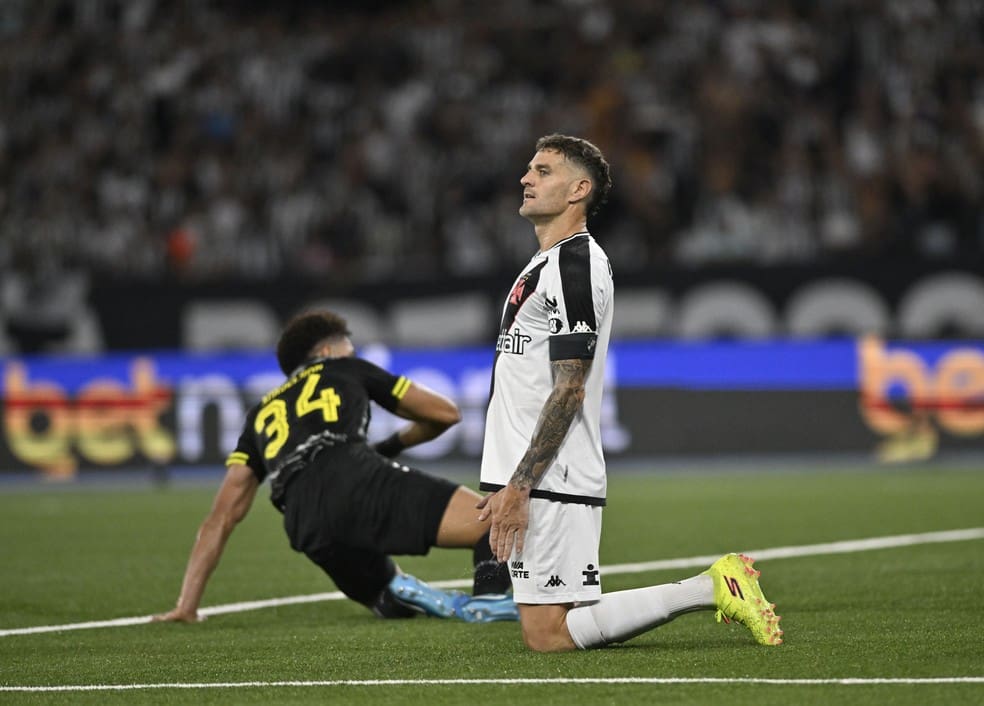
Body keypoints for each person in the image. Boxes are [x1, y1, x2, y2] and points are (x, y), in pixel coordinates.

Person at [476, 134, 783, 651]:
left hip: (552, 472)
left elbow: (570, 387)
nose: (526, 178)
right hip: (533, 470)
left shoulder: (576, 266)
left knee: (547, 635)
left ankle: (709, 587)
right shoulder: (546, 263)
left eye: (543, 170)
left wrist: (522, 484)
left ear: (579, 189)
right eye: (529, 168)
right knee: (550, 625)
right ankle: (709, 586)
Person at [155, 310, 516, 624]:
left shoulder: (261, 413)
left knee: (386, 597)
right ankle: (490, 599)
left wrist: (187, 605)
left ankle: (392, 591)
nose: (353, 353)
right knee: (493, 522)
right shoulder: (344, 368)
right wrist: (390, 447)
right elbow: (444, 413)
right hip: (353, 475)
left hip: (302, 520)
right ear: (327, 352)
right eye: (349, 347)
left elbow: (220, 518)